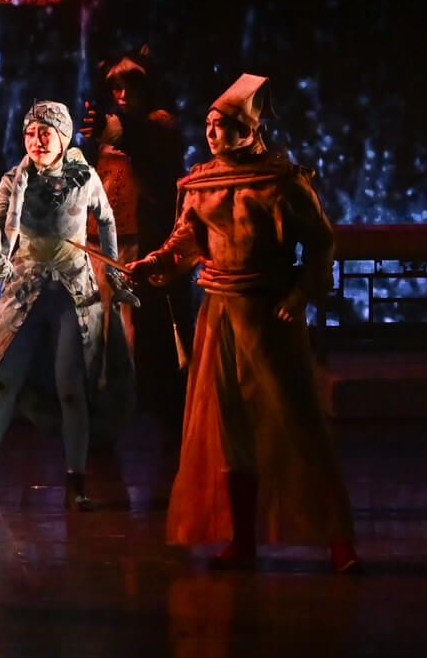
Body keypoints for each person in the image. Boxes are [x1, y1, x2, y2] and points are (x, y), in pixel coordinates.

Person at [127, 74, 356, 571]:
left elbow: (321, 243)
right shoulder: (200, 184)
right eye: (208, 124)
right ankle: (242, 539)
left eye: (223, 124)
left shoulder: (282, 182)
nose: (212, 133)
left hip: (268, 312)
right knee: (230, 426)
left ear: (248, 130)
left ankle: (339, 541)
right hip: (219, 314)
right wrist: (155, 262)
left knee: (295, 421)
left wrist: (302, 292)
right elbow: (185, 241)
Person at [0, 99, 134, 512]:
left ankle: (76, 478)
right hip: (24, 288)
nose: (37, 141)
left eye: (45, 133)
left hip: (73, 292)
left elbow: (106, 218)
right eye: (30, 133)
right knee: (4, 382)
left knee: (71, 388)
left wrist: (113, 268)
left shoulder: (84, 178)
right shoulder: (13, 181)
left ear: (63, 137)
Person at [90, 49, 188, 411]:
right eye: (116, 88)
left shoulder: (159, 125)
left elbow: (143, 140)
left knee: (146, 325)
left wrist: (117, 130)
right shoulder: (110, 132)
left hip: (144, 242)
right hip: (102, 240)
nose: (122, 95)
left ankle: (153, 400)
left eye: (129, 86)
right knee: (101, 323)